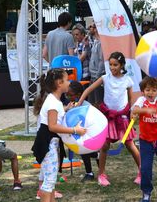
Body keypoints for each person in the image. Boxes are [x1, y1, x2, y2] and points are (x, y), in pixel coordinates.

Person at [78, 52, 141, 187]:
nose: (112, 68)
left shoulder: (127, 80)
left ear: (122, 65)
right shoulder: (105, 78)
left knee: (130, 145)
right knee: (104, 146)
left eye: (115, 65)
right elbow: (88, 89)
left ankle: (142, 172)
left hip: (122, 117)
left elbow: (131, 100)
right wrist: (79, 103)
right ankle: (102, 174)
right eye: (111, 65)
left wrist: (132, 113)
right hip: (108, 118)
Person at [32, 68, 86, 202]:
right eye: (67, 80)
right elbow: (52, 126)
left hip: (49, 143)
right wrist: (75, 130)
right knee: (49, 182)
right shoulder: (53, 103)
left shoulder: (54, 101)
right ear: (59, 83)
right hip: (47, 144)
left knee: (50, 180)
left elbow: (55, 117)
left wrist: (66, 109)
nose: (69, 83)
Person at [65, 81, 99, 182]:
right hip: (78, 133)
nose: (68, 97)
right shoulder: (71, 104)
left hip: (89, 133)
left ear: (79, 95)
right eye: (66, 94)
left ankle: (101, 171)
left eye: (70, 95)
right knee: (84, 152)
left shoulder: (86, 105)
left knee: (89, 151)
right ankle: (89, 172)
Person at [88, 23, 105, 108]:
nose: (90, 28)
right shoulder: (95, 42)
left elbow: (102, 61)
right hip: (93, 75)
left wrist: (98, 75)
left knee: (98, 102)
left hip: (97, 76)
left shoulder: (101, 43)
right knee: (92, 101)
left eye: (92, 27)